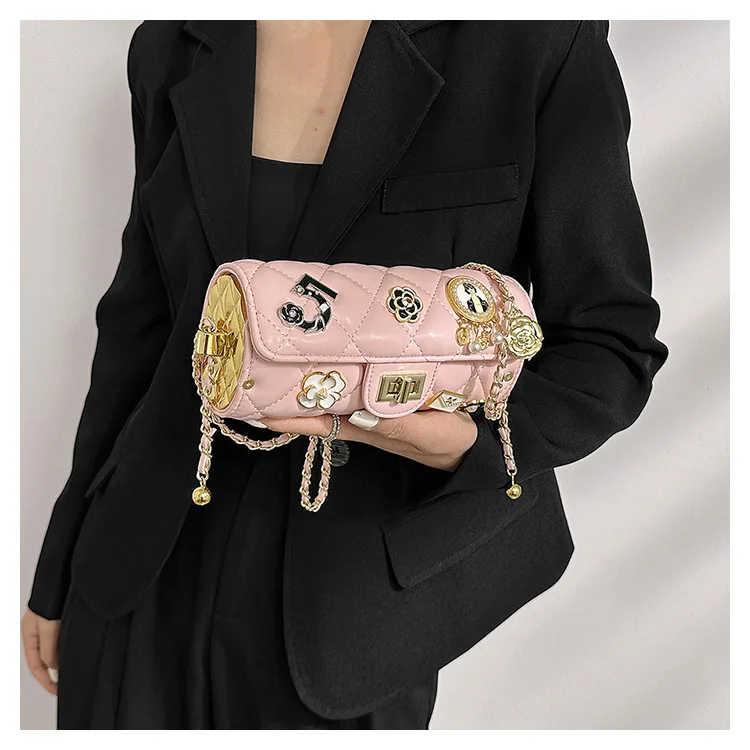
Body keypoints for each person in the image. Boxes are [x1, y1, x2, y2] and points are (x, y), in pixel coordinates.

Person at [22, 20, 669, 729]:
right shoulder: (173, 45)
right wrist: (59, 564)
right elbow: (139, 323)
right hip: (135, 575)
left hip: (350, 618)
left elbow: (611, 343)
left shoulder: (533, 41)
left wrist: (468, 443)